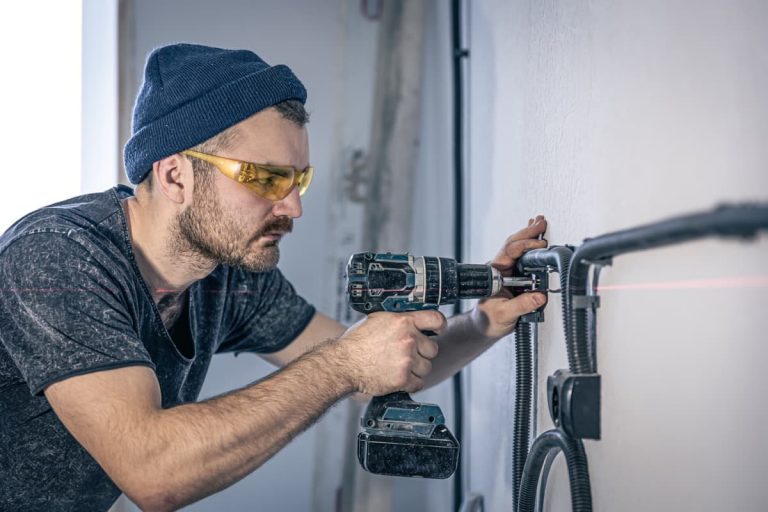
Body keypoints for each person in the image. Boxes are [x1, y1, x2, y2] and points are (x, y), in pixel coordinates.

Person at [0, 43, 548, 511]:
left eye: (298, 182)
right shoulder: (56, 259)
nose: (292, 208)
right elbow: (154, 472)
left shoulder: (229, 275)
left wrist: (482, 320)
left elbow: (382, 367)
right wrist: (342, 365)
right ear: (174, 176)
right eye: (265, 178)